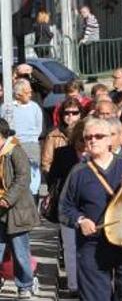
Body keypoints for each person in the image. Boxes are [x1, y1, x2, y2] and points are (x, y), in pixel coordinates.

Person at [59, 117, 122, 300]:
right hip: (93, 243)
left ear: (110, 139)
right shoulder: (78, 172)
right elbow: (64, 208)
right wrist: (80, 220)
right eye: (88, 137)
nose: (93, 140)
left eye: (99, 136)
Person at [0, 117, 41, 298]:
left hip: (16, 210)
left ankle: (25, 284)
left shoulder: (15, 151)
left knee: (20, 251)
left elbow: (23, 178)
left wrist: (8, 199)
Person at [47, 119, 86, 298]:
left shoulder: (98, 155)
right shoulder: (63, 153)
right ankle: (73, 285)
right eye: (81, 140)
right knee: (70, 247)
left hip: (90, 208)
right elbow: (52, 177)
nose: (85, 144)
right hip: (68, 207)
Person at [11, 79, 42, 199]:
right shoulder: (9, 107)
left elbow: (38, 127)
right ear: (18, 94)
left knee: (33, 171)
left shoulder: (35, 107)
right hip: (14, 143)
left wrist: (32, 138)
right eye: (27, 92)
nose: (31, 93)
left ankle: (34, 196)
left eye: (30, 91)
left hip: (31, 143)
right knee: (16, 170)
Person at [41, 97, 83, 174]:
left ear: (80, 114)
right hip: (60, 176)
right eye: (66, 113)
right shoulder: (53, 135)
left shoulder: (86, 133)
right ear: (61, 114)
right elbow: (46, 162)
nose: (70, 116)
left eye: (75, 113)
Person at [78, 5, 100, 75]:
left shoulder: (91, 18)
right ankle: (90, 75)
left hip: (93, 42)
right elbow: (84, 30)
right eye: (81, 12)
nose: (82, 14)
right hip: (88, 42)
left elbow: (88, 30)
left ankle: (93, 76)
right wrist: (80, 37)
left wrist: (84, 39)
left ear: (88, 11)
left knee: (92, 59)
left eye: (84, 12)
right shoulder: (86, 19)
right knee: (88, 59)